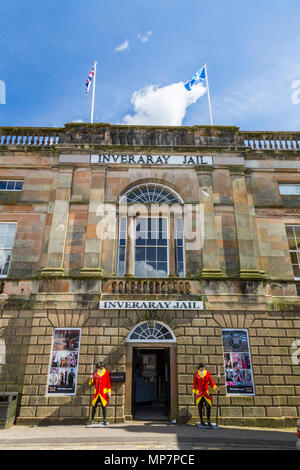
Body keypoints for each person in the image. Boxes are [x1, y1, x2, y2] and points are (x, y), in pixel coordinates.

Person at [193, 363, 217, 427]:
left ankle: (208, 421)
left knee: (208, 406)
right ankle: (201, 421)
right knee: (200, 407)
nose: (203, 368)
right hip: (200, 393)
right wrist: (194, 391)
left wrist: (215, 387)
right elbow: (195, 383)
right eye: (201, 367)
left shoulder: (207, 373)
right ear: (199, 368)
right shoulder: (196, 373)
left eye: (203, 367)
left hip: (206, 393)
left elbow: (211, 381)